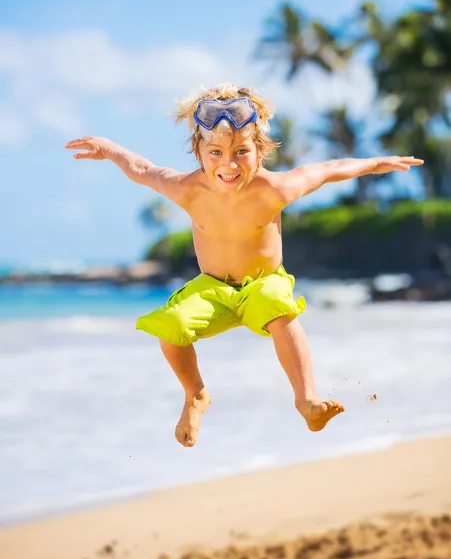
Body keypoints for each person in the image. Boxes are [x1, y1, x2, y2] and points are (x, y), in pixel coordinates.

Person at [65, 83, 423, 448]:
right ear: (199, 151)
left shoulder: (275, 188)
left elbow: (328, 169)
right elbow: (142, 168)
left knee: (279, 309)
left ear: (260, 151)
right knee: (169, 330)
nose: (229, 163)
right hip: (213, 288)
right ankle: (196, 395)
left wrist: (375, 164)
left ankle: (307, 401)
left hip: (263, 283)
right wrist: (108, 149)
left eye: (241, 151)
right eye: (216, 151)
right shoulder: (187, 189)